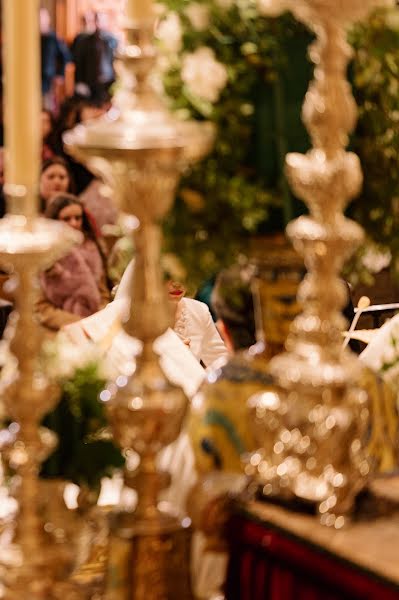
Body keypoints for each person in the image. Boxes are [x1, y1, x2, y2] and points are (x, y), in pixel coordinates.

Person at [36, 194, 110, 333]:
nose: (74, 223)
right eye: (66, 219)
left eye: (78, 218)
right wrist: (78, 323)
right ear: (54, 221)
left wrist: (100, 317)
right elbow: (41, 308)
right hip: (59, 329)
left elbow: (103, 293)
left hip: (94, 325)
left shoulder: (92, 248)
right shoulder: (43, 254)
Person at [72, 12, 118, 103]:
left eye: (102, 21)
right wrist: (79, 82)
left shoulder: (112, 40)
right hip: (91, 81)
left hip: (109, 80)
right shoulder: (84, 40)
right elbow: (79, 62)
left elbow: (115, 60)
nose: (99, 23)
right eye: (97, 20)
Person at [40, 8, 72, 112]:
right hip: (34, 77)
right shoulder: (32, 38)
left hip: (48, 79)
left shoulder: (52, 38)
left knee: (47, 107)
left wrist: (60, 74)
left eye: (43, 18)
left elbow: (65, 56)